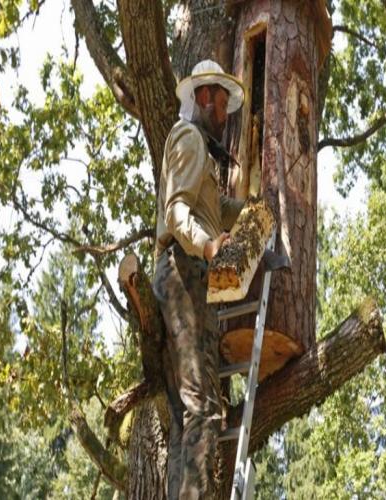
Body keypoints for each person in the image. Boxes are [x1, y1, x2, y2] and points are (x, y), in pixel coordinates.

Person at [152, 59, 245, 499]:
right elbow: (177, 211)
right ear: (204, 96)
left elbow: (212, 207)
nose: (225, 116)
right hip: (187, 271)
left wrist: (248, 210)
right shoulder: (189, 136)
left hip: (182, 272)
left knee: (186, 415)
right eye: (222, 104)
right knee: (204, 409)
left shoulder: (200, 148)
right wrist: (209, 246)